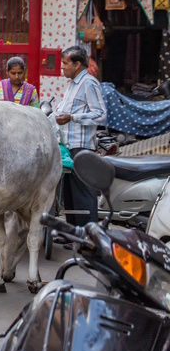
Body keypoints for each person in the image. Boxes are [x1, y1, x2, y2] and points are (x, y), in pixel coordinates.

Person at [55, 46, 107, 227]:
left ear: (77, 65)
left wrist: (72, 118)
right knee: (69, 193)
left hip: (82, 147)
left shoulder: (89, 83)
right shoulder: (73, 84)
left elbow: (100, 114)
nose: (62, 67)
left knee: (84, 192)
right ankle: (73, 233)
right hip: (68, 146)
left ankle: (89, 236)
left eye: (65, 63)